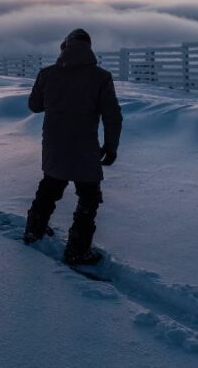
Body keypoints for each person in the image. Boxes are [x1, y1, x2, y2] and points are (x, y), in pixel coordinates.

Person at [23, 28, 123, 266]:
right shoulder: (101, 77)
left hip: (54, 145)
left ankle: (34, 230)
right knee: (88, 198)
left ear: (64, 47)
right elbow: (112, 116)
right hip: (85, 149)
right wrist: (111, 147)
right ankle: (77, 250)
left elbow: (34, 106)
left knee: (49, 188)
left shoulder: (47, 74)